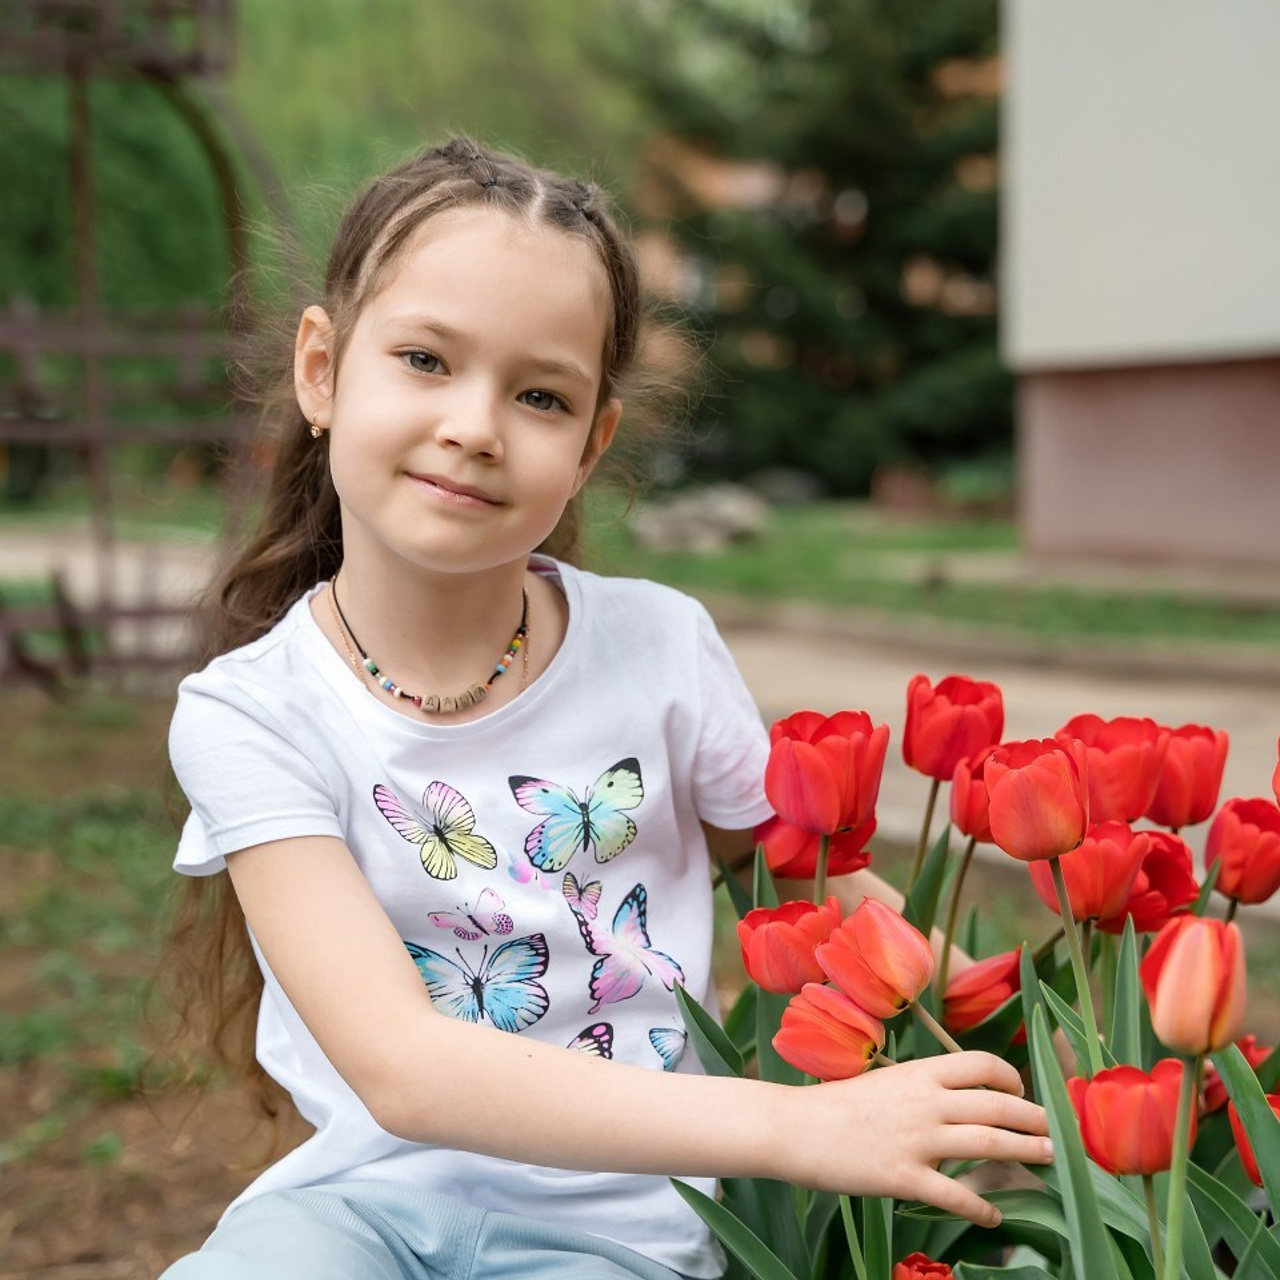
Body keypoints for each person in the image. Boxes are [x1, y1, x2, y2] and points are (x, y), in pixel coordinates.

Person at [161, 137, 1051, 1280]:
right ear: (322, 370)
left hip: (617, 1233)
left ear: (591, 444)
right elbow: (400, 1066)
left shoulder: (658, 651)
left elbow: (814, 887)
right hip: (358, 1209)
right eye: (425, 359)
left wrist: (1042, 1033)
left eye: (538, 395)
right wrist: (797, 1125)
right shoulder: (251, 712)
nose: (474, 425)